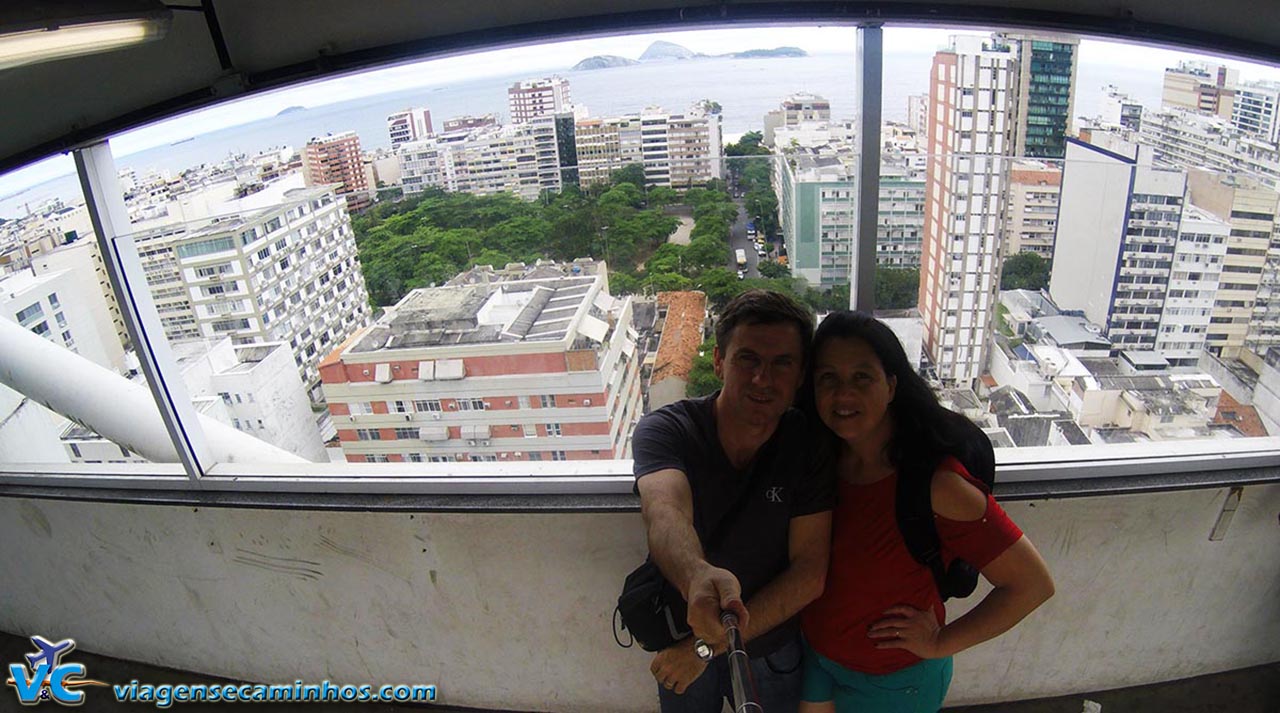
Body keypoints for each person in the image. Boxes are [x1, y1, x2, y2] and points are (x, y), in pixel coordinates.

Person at [798, 312, 1055, 713]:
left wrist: (940, 642)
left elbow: (1032, 585)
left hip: (895, 684)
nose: (843, 394)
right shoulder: (819, 462)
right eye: (827, 378)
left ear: (892, 386)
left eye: (862, 377)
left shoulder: (938, 486)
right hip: (816, 660)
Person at [633, 290, 836, 713]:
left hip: (764, 646)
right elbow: (665, 512)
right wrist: (696, 576)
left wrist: (704, 648)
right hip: (683, 632)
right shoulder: (669, 430)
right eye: (748, 359)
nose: (763, 379)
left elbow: (810, 572)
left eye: (782, 363)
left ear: (800, 375)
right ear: (719, 360)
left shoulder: (809, 446)